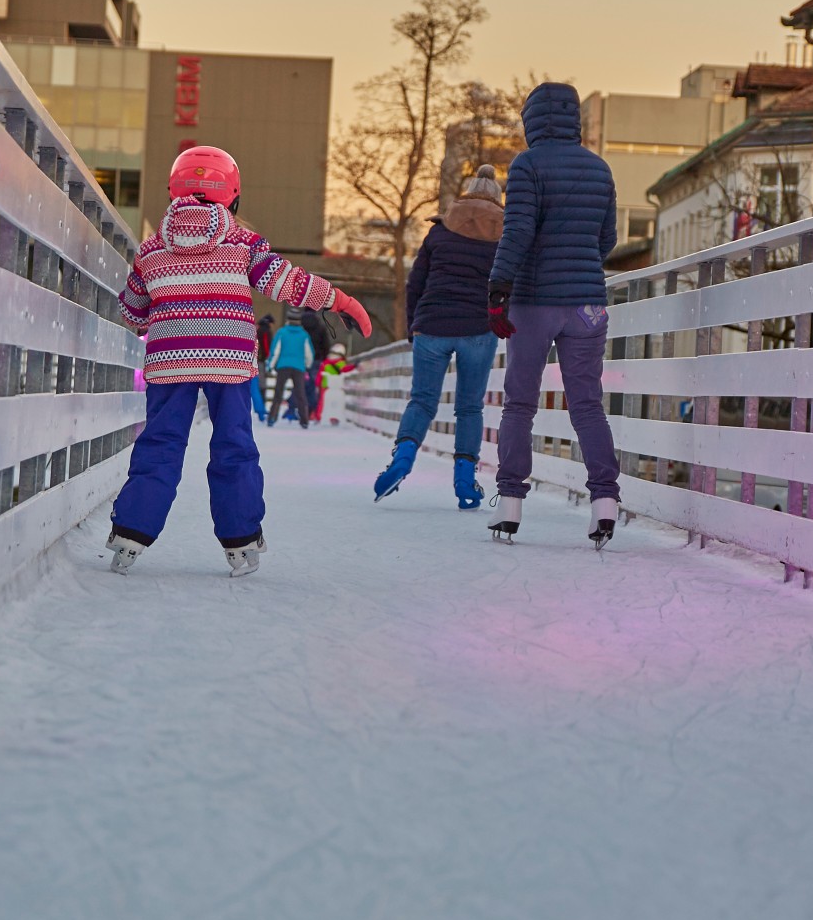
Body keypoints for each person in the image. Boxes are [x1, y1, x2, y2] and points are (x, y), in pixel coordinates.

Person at [108, 146, 372, 576]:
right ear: (232, 195)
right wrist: (338, 299)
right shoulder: (242, 242)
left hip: (170, 360)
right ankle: (240, 541)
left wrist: (164, 306)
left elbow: (134, 310)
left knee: (160, 444)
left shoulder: (151, 248)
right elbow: (287, 281)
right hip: (228, 361)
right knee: (233, 444)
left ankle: (130, 536)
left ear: (174, 189)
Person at [485, 83, 622, 548]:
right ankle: (605, 504)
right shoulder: (600, 168)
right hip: (587, 304)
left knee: (520, 404)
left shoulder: (528, 165)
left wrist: (498, 288)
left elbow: (519, 230)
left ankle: (510, 504)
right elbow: (608, 241)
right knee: (587, 406)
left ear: (532, 120)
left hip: (535, 299)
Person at [373, 165, 504, 509]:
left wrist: (412, 326)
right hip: (478, 327)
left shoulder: (440, 231)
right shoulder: (506, 234)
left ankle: (401, 460)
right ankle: (464, 481)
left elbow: (415, 282)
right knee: (469, 408)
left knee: (422, 401)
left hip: (432, 324)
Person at [263, 311, 317, 429]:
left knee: (278, 392)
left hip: (283, 366)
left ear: (288, 319)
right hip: (299, 367)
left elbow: (275, 351)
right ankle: (304, 420)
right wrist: (307, 365)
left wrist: (270, 365)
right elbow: (309, 353)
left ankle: (272, 418)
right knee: (300, 394)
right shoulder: (304, 335)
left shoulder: (282, 332)